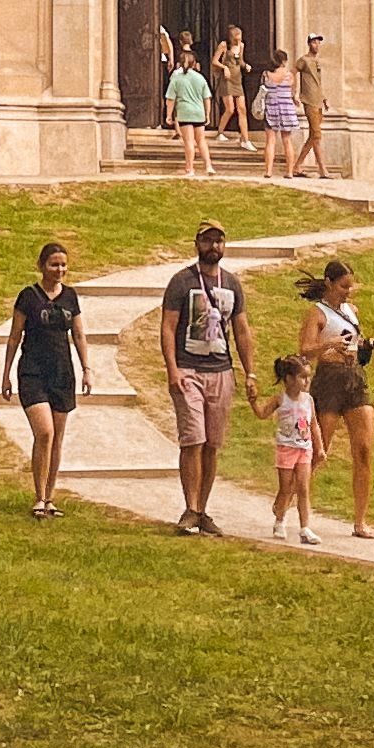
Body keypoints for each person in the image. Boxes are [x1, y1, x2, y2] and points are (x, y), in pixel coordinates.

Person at [159, 221, 258, 533]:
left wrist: (250, 372)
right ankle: (190, 508)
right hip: (188, 368)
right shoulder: (182, 281)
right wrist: (172, 369)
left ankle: (202, 510)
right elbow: (168, 327)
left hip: (221, 370)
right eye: (207, 240)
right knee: (193, 439)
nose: (213, 246)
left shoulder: (232, 284)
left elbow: (242, 330)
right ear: (197, 244)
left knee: (212, 443)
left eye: (218, 241)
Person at [0, 239, 85, 517]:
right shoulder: (28, 297)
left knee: (57, 437)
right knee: (45, 432)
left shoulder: (70, 296)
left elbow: (79, 335)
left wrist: (87, 369)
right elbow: (14, 337)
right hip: (33, 371)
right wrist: (5, 374)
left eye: (63, 265)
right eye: (54, 264)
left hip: (62, 372)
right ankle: (38, 497)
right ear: (41, 266)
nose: (59, 269)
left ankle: (50, 497)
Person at [301, 256, 374, 539]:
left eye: (351, 286)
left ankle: (360, 521)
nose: (349, 291)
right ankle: (292, 505)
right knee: (318, 451)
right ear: (329, 283)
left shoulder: (352, 310)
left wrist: (367, 346)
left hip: (354, 378)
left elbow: (354, 343)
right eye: (344, 286)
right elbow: (305, 350)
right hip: (329, 380)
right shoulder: (317, 313)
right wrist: (328, 345)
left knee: (364, 450)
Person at [265, 352, 321, 542]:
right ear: (289, 379)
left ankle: (305, 527)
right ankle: (279, 521)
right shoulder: (281, 399)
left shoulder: (308, 400)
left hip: (304, 449)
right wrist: (253, 400)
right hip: (286, 449)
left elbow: (314, 425)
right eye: (302, 377)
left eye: (308, 376)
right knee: (286, 488)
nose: (307, 381)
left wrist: (319, 448)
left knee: (303, 488)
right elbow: (262, 413)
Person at [163, 42, 215, 173]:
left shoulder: (176, 79)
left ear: (179, 64)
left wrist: (169, 115)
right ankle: (208, 166)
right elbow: (207, 98)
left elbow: (170, 99)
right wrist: (207, 114)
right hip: (198, 112)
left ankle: (190, 168)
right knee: (201, 140)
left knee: (189, 142)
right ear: (194, 64)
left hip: (184, 112)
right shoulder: (200, 78)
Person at [255, 49, 305, 179]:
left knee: (270, 141)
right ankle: (289, 172)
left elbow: (262, 89)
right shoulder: (289, 76)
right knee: (287, 141)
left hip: (271, 108)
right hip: (286, 109)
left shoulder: (266, 74)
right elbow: (293, 92)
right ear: (284, 61)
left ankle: (268, 171)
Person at [292, 34, 333, 179]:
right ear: (309, 43)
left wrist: (324, 98)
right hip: (309, 100)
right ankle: (322, 169)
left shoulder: (317, 62)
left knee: (313, 136)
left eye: (318, 42)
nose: (317, 45)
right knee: (317, 134)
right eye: (314, 42)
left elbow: (318, 82)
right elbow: (292, 73)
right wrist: (294, 92)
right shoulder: (303, 60)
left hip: (318, 100)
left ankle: (297, 166)